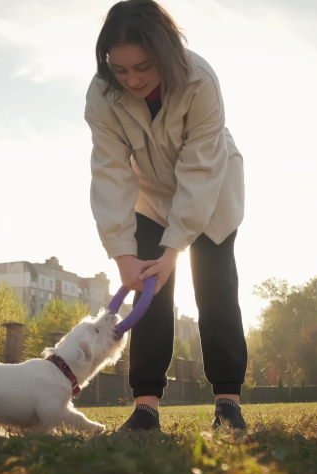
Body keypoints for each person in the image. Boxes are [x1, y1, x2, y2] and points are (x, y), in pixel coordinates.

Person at [85, 0, 247, 431]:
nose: (131, 80)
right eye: (120, 69)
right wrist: (122, 253)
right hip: (151, 196)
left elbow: (199, 170)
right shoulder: (102, 95)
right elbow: (110, 172)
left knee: (215, 286)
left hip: (210, 189)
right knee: (149, 293)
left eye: (143, 66)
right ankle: (146, 406)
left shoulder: (200, 81)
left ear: (165, 53)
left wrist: (175, 248)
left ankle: (228, 402)